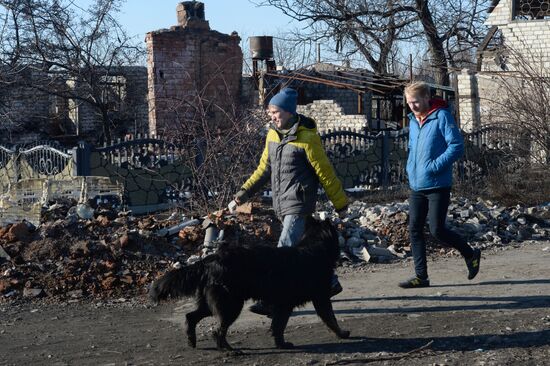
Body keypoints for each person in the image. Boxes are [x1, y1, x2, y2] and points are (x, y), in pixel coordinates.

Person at [233, 87, 349, 315]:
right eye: (270, 112)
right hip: (281, 204)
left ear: (288, 111)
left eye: (275, 112)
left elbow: (324, 172)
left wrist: (340, 203)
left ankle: (271, 300)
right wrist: (244, 192)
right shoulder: (273, 135)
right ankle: (331, 282)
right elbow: (263, 169)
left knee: (283, 253)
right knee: (303, 251)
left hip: (298, 203)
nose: (272, 116)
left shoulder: (307, 138)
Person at [400, 81, 481, 289]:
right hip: (417, 185)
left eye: (416, 102)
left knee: (437, 229)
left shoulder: (441, 116)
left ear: (427, 98)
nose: (413, 106)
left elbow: (456, 146)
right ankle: (421, 277)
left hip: (437, 183)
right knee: (415, 229)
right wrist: (411, 169)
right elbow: (412, 149)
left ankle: (470, 254)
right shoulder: (413, 121)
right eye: (409, 103)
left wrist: (434, 166)